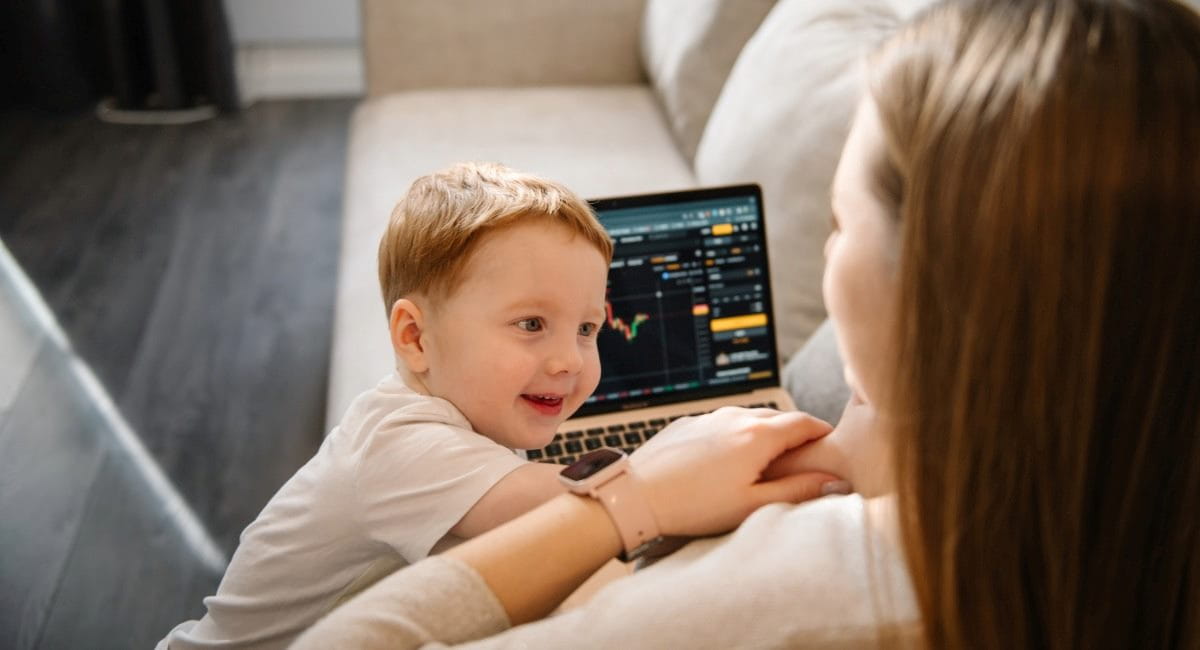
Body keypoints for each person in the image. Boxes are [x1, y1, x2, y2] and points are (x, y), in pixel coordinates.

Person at [293, 0, 1200, 647]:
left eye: (840, 224)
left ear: (936, 292)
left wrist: (630, 500)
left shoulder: (795, 595)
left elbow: (358, 637)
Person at [159, 162, 623, 649]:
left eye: (586, 329)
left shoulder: (479, 415)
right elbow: (586, 502)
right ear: (415, 337)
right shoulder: (403, 445)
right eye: (531, 324)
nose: (570, 360)